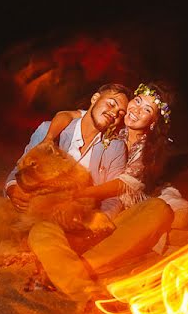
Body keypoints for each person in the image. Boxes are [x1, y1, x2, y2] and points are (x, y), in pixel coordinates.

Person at [26, 82, 178, 301]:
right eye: (137, 102)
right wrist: (49, 138)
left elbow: (120, 185)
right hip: (86, 214)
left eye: (147, 110)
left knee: (160, 209)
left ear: (153, 123)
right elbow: (66, 115)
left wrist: (82, 195)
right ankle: (84, 286)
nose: (136, 110)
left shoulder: (146, 150)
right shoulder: (111, 121)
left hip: (118, 215)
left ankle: (67, 271)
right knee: (40, 231)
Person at [4, 83, 132, 219]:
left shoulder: (115, 148)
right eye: (111, 104)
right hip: (37, 216)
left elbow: (113, 197)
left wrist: (96, 221)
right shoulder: (49, 130)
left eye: (120, 113)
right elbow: (19, 169)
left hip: (80, 221)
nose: (114, 113)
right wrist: (12, 188)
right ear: (95, 98)